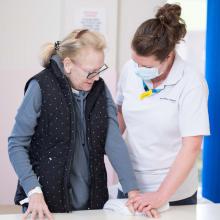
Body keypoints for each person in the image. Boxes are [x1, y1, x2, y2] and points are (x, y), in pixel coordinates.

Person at [8, 29, 139, 220]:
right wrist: (33, 191)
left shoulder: (100, 91)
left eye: (100, 70)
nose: (96, 77)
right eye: (90, 72)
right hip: (45, 203)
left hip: (94, 204)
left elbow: (114, 143)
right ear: (68, 64)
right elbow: (16, 144)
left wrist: (132, 190)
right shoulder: (40, 86)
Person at [116, 3, 210, 216]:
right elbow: (120, 112)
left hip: (174, 194)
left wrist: (160, 196)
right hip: (131, 187)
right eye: (135, 62)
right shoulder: (130, 70)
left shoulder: (191, 83)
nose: (138, 69)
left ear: (168, 57)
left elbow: (192, 145)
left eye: (146, 67)